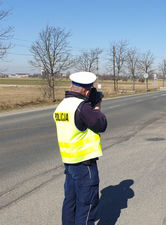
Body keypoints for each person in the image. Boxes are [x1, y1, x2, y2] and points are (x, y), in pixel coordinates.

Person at [53, 71, 107, 225]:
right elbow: (100, 124)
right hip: (85, 164)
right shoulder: (82, 108)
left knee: (71, 203)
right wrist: (96, 106)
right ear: (87, 91)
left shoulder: (62, 106)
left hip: (69, 163)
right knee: (86, 206)